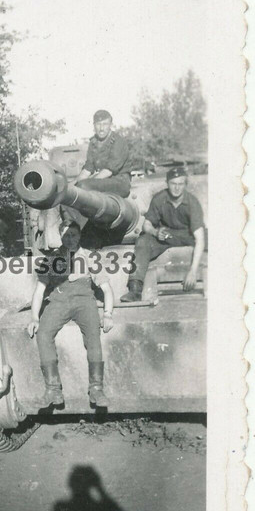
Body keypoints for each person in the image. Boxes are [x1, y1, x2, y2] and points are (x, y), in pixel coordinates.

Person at [27, 223, 115, 409]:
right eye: (66, 235)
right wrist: (34, 317)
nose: (70, 239)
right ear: (60, 236)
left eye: (73, 235)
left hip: (84, 300)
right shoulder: (51, 259)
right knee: (43, 334)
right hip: (59, 300)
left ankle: (96, 389)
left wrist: (107, 314)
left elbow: (107, 289)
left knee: (93, 336)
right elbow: (39, 290)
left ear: (79, 235)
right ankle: (53, 390)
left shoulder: (90, 257)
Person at [121, 165, 205, 302]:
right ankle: (135, 290)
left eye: (180, 184)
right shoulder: (160, 199)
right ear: (167, 183)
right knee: (143, 241)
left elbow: (200, 238)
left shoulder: (192, 203)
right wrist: (155, 232)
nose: (177, 188)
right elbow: (146, 225)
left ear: (185, 185)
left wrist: (193, 271)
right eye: (173, 184)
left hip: (188, 235)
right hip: (167, 235)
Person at [76, 109, 132, 197]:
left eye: (105, 124)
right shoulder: (93, 142)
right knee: (72, 188)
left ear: (111, 125)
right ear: (94, 125)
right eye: (98, 124)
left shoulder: (118, 142)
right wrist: (72, 184)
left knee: (83, 186)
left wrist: (89, 181)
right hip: (102, 181)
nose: (101, 128)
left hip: (120, 182)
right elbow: (88, 169)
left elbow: (109, 171)